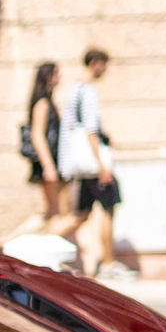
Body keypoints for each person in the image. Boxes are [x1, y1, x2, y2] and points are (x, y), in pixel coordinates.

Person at [54, 48, 119, 277]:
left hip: (83, 167)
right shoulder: (88, 92)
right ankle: (109, 263)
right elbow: (91, 131)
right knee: (109, 208)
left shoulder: (75, 91)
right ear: (94, 63)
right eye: (103, 65)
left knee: (80, 214)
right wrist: (103, 166)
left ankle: (43, 239)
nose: (104, 70)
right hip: (93, 166)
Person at [10, 60, 65, 237]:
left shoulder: (46, 101)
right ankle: (10, 238)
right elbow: (37, 135)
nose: (60, 78)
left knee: (53, 213)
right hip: (47, 163)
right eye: (57, 74)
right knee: (55, 213)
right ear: (49, 77)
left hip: (49, 163)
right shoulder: (43, 103)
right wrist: (49, 167)